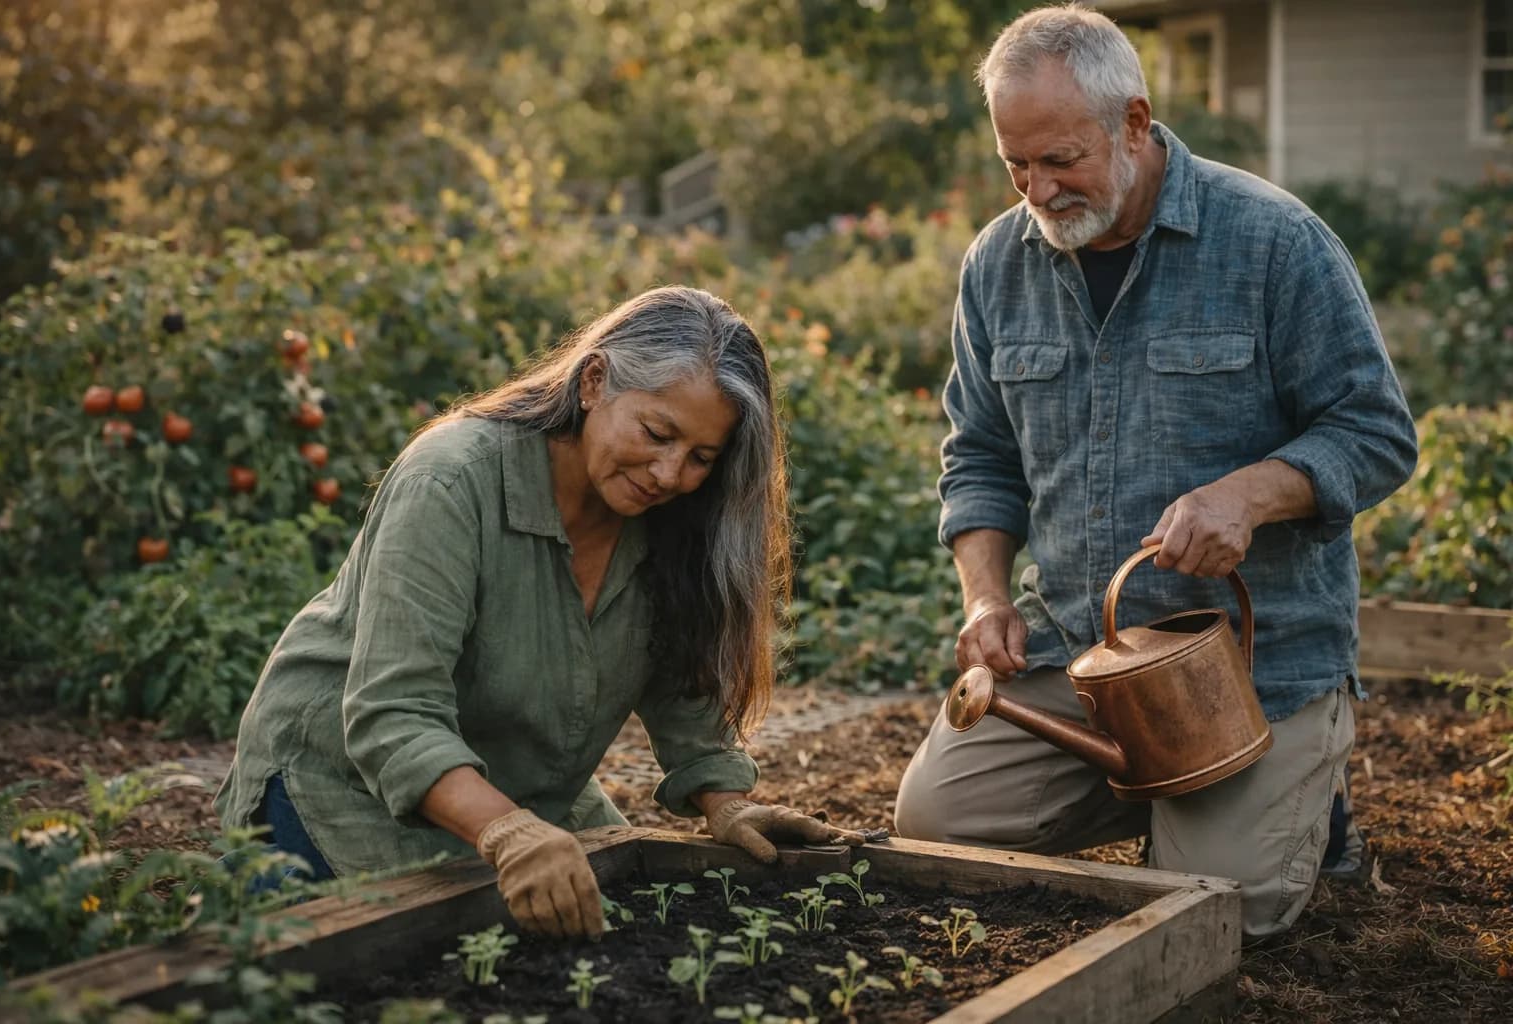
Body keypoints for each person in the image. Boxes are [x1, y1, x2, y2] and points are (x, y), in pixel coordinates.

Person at [893, 5, 1417, 940]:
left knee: (1212, 915)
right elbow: (978, 454)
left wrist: (1249, 495)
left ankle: (1298, 802)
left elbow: (1375, 432)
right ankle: (1190, 805)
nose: (1038, 191)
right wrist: (983, 599)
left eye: (1061, 160)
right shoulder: (996, 266)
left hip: (1253, 667)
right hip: (1082, 661)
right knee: (938, 826)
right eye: (1016, 165)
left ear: (1133, 123)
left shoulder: (1272, 242)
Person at [214, 286, 862, 940]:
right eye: (657, 433)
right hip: (340, 784)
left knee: (619, 932)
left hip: (515, 779)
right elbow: (392, 712)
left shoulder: (663, 512)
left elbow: (680, 675)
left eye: (701, 457)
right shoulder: (451, 480)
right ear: (594, 381)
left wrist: (727, 805)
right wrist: (506, 829)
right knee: (424, 967)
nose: (670, 473)